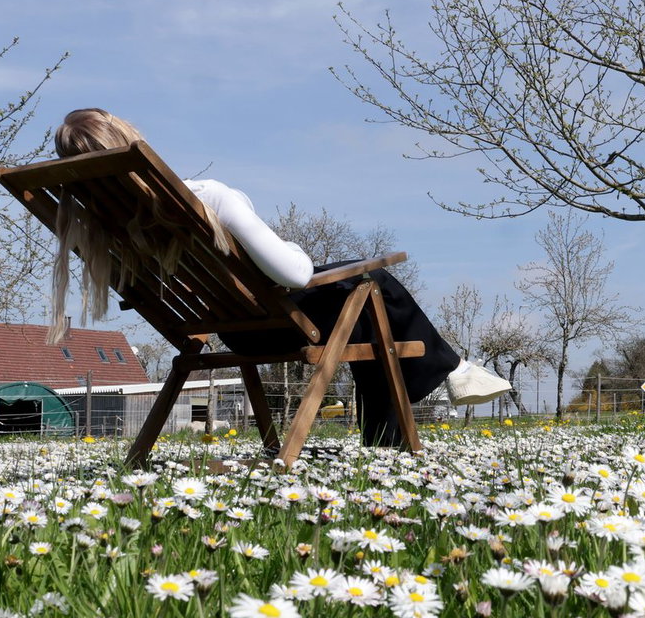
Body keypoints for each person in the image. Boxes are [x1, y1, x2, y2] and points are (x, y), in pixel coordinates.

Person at [46, 108, 510, 446]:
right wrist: (291, 246)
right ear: (131, 139)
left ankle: (436, 387)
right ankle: (447, 374)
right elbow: (295, 272)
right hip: (277, 323)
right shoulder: (204, 198)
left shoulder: (99, 229)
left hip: (233, 332)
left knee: (367, 312)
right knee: (375, 286)